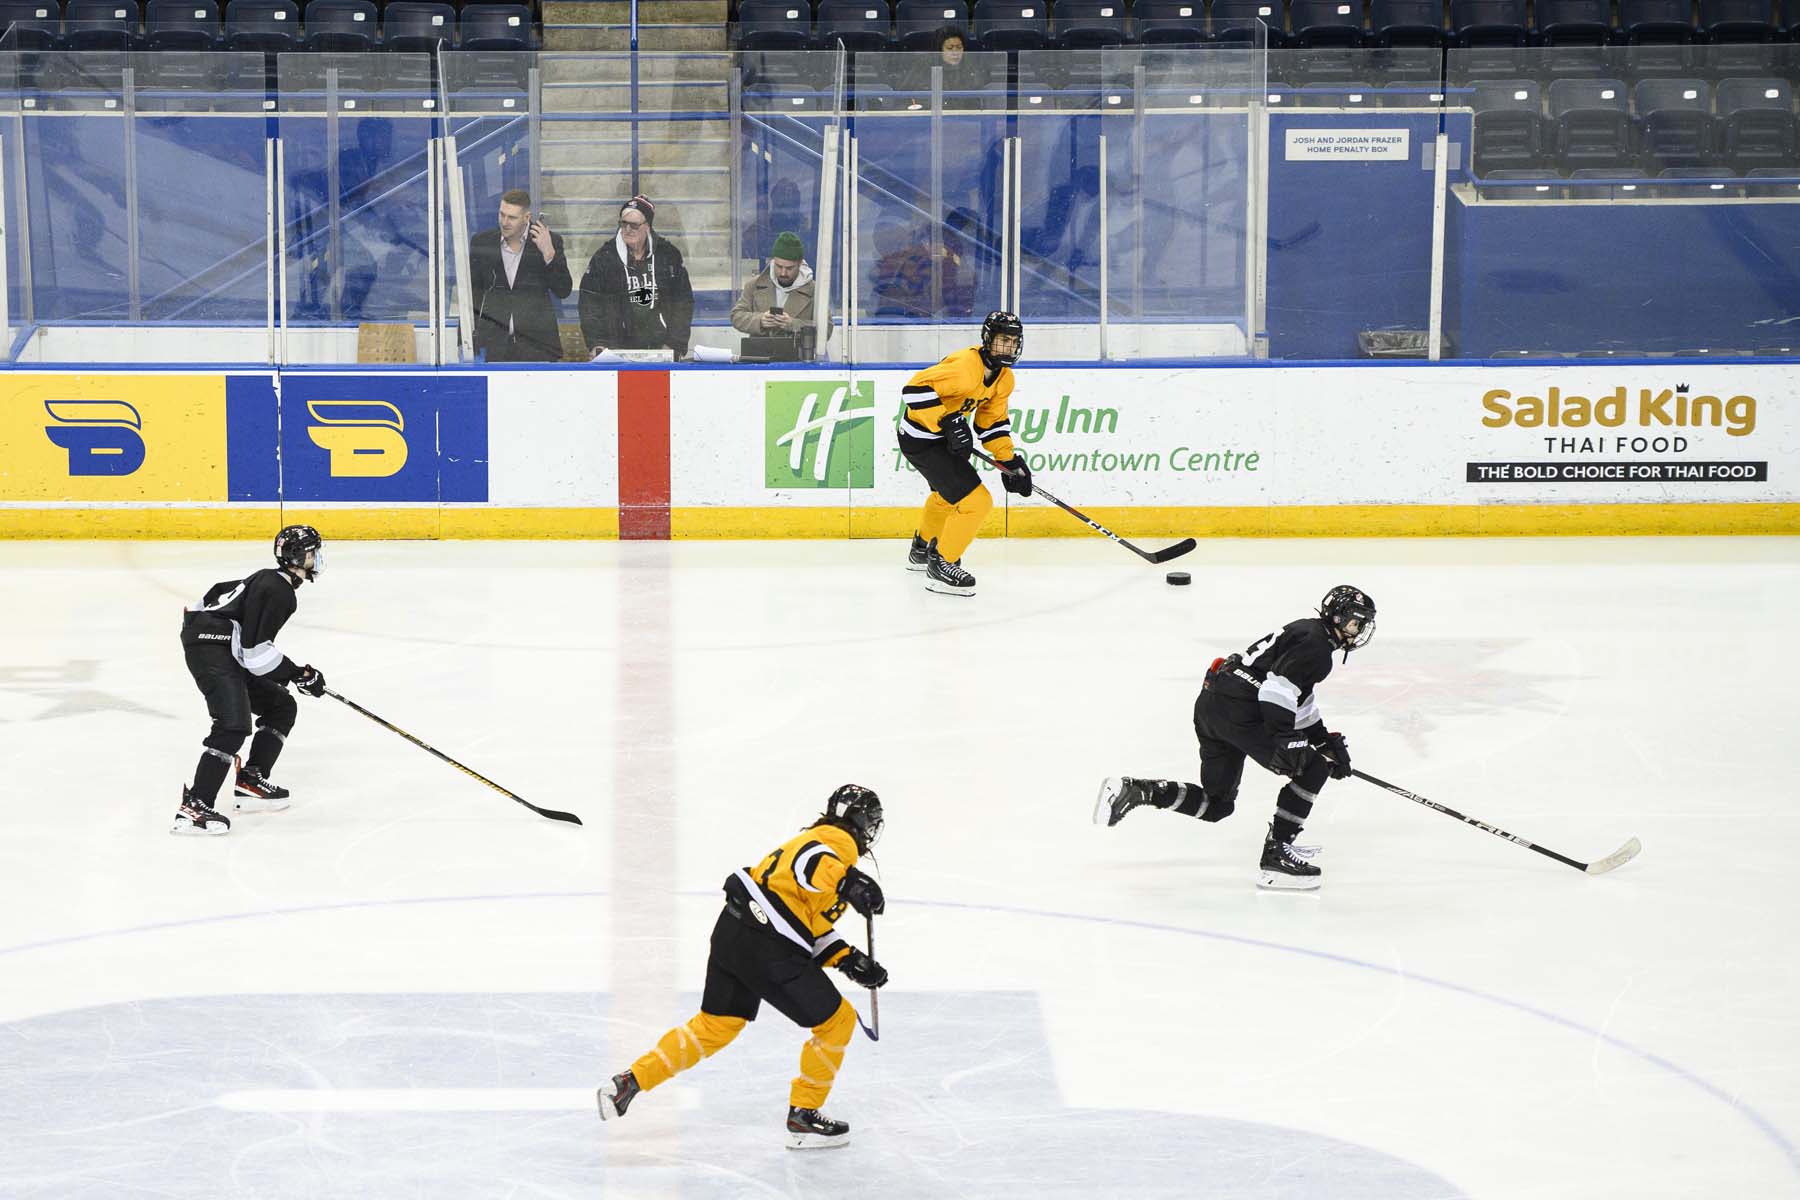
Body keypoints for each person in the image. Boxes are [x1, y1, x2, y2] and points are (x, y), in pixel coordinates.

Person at [596, 785, 889, 1149]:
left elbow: (805, 918)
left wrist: (848, 959)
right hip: (767, 945)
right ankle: (803, 1116)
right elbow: (811, 864)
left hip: (733, 931)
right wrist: (846, 881)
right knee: (837, 1022)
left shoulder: (811, 838)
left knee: (716, 1026)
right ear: (864, 823)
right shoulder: (837, 842)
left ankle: (631, 1081)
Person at [1093, 586, 1378, 890]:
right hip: (1241, 711)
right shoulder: (1318, 648)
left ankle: (1139, 791)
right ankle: (1277, 857)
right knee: (1313, 769)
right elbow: (1276, 691)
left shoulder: (1307, 632)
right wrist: (1287, 738)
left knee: (1217, 805)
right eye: (1355, 621)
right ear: (1339, 616)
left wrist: (1321, 740)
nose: (1359, 630)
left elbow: (1296, 696)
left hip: (1213, 704)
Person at [173, 526, 330, 836]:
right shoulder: (279, 590)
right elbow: (257, 655)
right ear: (302, 556)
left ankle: (250, 781)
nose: (318, 558)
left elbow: (215, 595)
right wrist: (299, 674)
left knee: (280, 706)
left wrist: (290, 675)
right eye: (314, 553)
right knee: (233, 725)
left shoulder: (268, 578)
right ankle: (193, 808)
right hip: (212, 647)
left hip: (217, 643)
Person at [897, 311, 1033, 597]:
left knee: (948, 495)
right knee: (977, 502)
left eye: (1013, 342)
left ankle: (923, 550)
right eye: (1002, 340)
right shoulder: (964, 366)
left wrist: (1008, 461)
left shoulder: (1004, 379)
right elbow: (913, 389)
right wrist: (945, 421)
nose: (1008, 348)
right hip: (921, 439)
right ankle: (942, 563)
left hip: (944, 442)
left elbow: (991, 424)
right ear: (987, 339)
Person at [578, 195, 695, 359]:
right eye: (623, 224)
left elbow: (683, 302)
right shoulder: (604, 257)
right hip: (614, 350)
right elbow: (589, 304)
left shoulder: (668, 255)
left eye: (634, 225)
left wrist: (674, 343)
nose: (627, 229)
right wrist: (596, 343)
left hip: (660, 347)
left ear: (647, 226)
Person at [468, 189, 572, 363]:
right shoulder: (482, 242)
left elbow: (563, 290)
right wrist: (464, 338)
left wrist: (549, 254)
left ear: (527, 218)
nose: (505, 222)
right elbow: (473, 292)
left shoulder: (549, 241)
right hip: (496, 346)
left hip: (539, 346)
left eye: (512, 217)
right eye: (502, 215)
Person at [729, 230, 828, 353]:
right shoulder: (754, 285)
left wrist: (793, 324)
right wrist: (760, 320)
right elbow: (736, 316)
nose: (783, 273)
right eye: (779, 266)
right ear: (773, 261)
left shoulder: (815, 291)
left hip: (799, 362)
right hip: (760, 359)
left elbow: (827, 329)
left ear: (800, 264)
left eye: (789, 268)